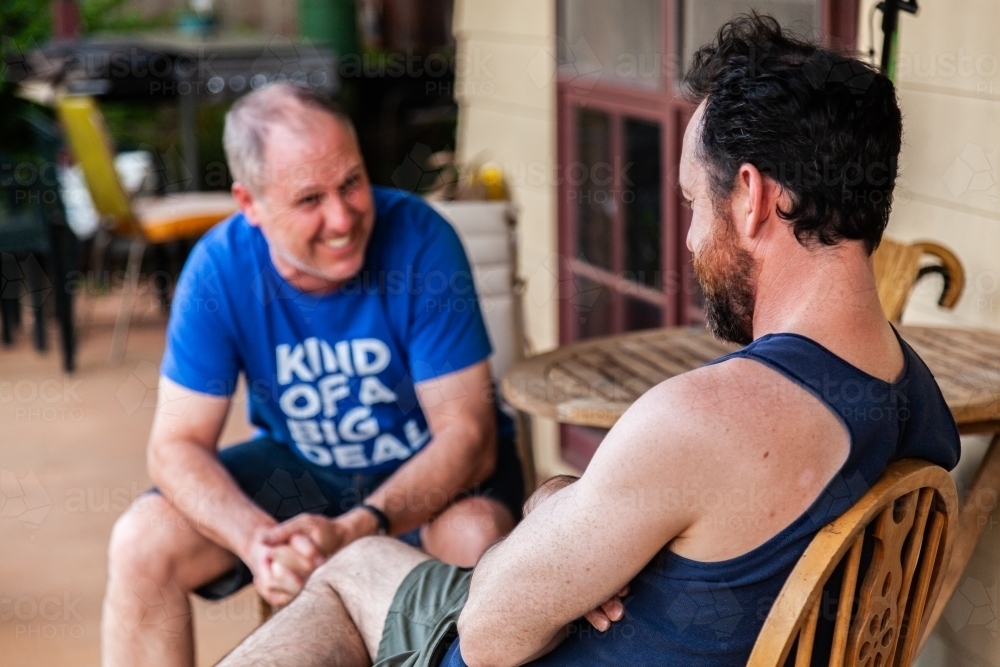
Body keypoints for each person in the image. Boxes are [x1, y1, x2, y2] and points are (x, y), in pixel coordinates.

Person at [215, 15, 961, 667]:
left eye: (694, 202)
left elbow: (487, 633)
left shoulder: (705, 420)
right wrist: (561, 507)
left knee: (351, 572)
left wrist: (554, 523)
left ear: (753, 197)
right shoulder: (915, 400)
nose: (693, 236)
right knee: (383, 556)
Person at [101, 83, 524, 667]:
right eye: (309, 200)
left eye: (351, 182)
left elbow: (468, 438)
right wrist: (256, 541)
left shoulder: (422, 240)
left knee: (473, 540)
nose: (342, 217)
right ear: (249, 204)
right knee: (142, 541)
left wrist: (357, 530)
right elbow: (175, 446)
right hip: (301, 469)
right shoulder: (219, 269)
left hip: (431, 471)